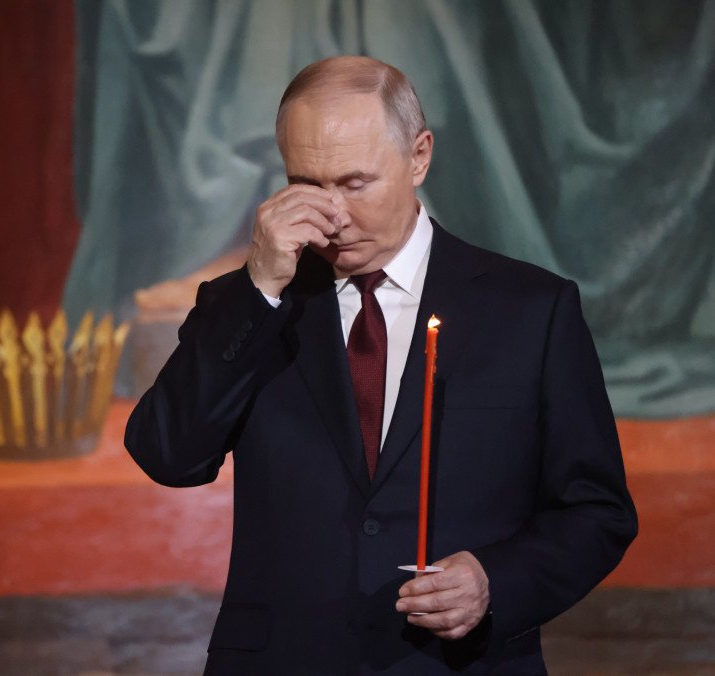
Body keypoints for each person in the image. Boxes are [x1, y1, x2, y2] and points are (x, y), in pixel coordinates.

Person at [124, 56, 637, 674]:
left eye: (355, 182)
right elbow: (167, 455)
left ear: (418, 156)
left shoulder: (532, 311)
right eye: (308, 185)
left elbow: (597, 511)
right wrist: (259, 289)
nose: (332, 215)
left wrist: (494, 580)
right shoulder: (249, 307)